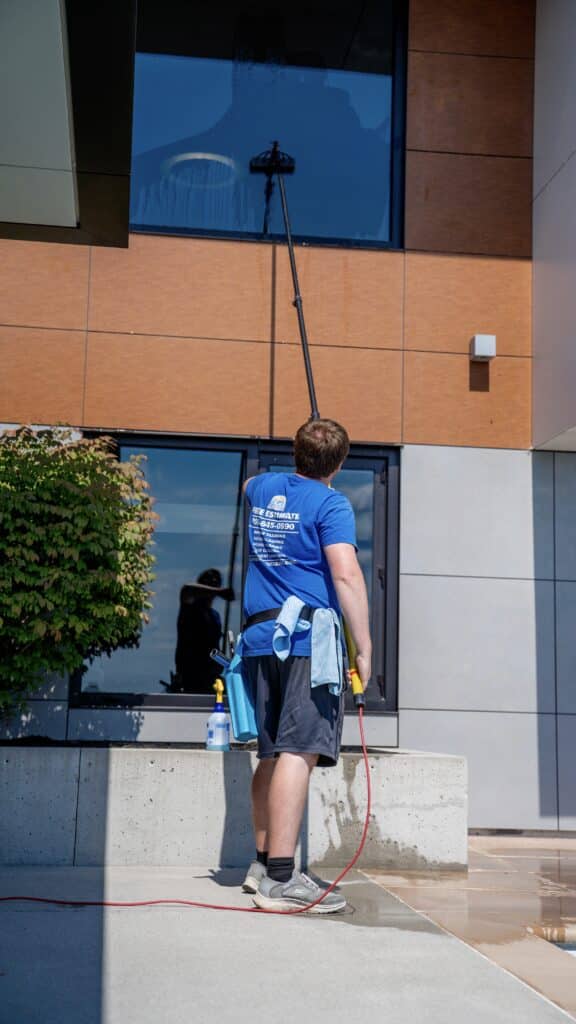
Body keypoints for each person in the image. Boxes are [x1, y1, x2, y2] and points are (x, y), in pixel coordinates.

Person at [240, 418, 371, 913]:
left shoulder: (265, 486)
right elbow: (346, 573)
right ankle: (281, 880)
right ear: (338, 463)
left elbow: (250, 485)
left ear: (296, 453)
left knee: (272, 753)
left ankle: (261, 865)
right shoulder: (332, 504)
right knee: (299, 751)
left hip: (259, 638)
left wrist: (295, 478)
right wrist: (365, 645)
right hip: (304, 642)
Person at [173, 569, 234, 695]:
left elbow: (213, 649)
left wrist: (228, 663)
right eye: (209, 586)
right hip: (190, 678)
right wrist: (219, 592)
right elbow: (187, 589)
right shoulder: (189, 608)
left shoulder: (214, 616)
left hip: (211, 678)